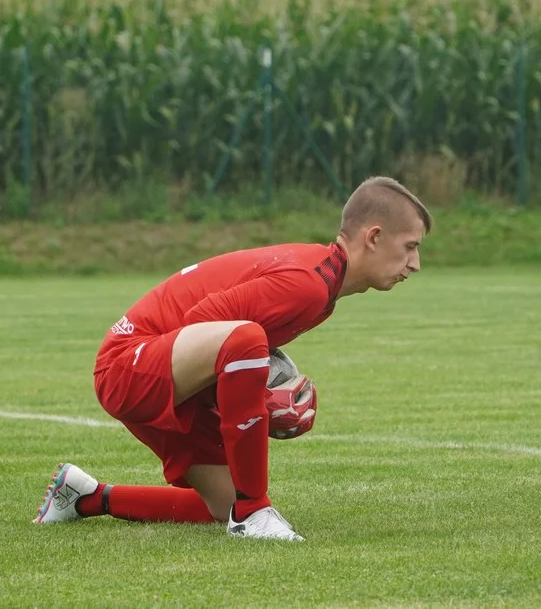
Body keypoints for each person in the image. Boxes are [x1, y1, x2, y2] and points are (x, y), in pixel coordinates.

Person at [32, 176, 432, 541]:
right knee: (247, 340)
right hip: (128, 364)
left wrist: (259, 382)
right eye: (410, 247)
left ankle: (84, 497)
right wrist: (258, 390)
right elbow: (202, 325)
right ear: (374, 236)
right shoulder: (309, 284)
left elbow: (217, 340)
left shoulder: (323, 283)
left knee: (222, 506)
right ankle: (254, 513)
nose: (415, 263)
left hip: (165, 367)